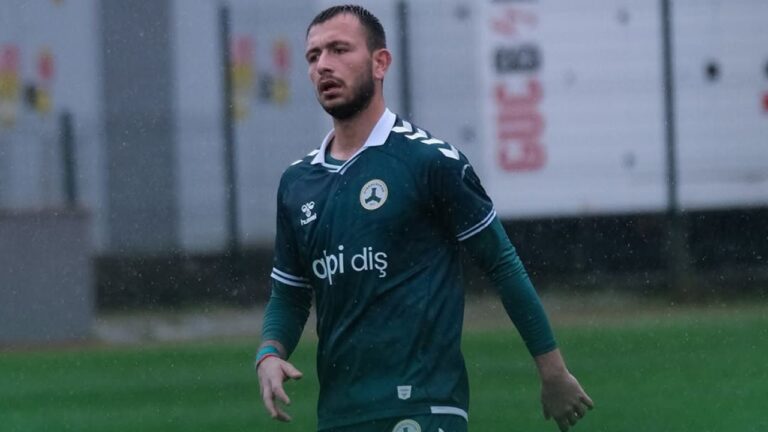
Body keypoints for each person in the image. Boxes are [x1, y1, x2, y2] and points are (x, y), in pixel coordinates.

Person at [255, 4, 593, 432]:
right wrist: (269, 353)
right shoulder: (297, 182)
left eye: (339, 50)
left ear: (380, 63)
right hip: (340, 414)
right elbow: (289, 293)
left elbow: (502, 265)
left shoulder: (430, 162)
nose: (323, 65)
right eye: (313, 56)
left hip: (424, 407)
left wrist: (553, 371)